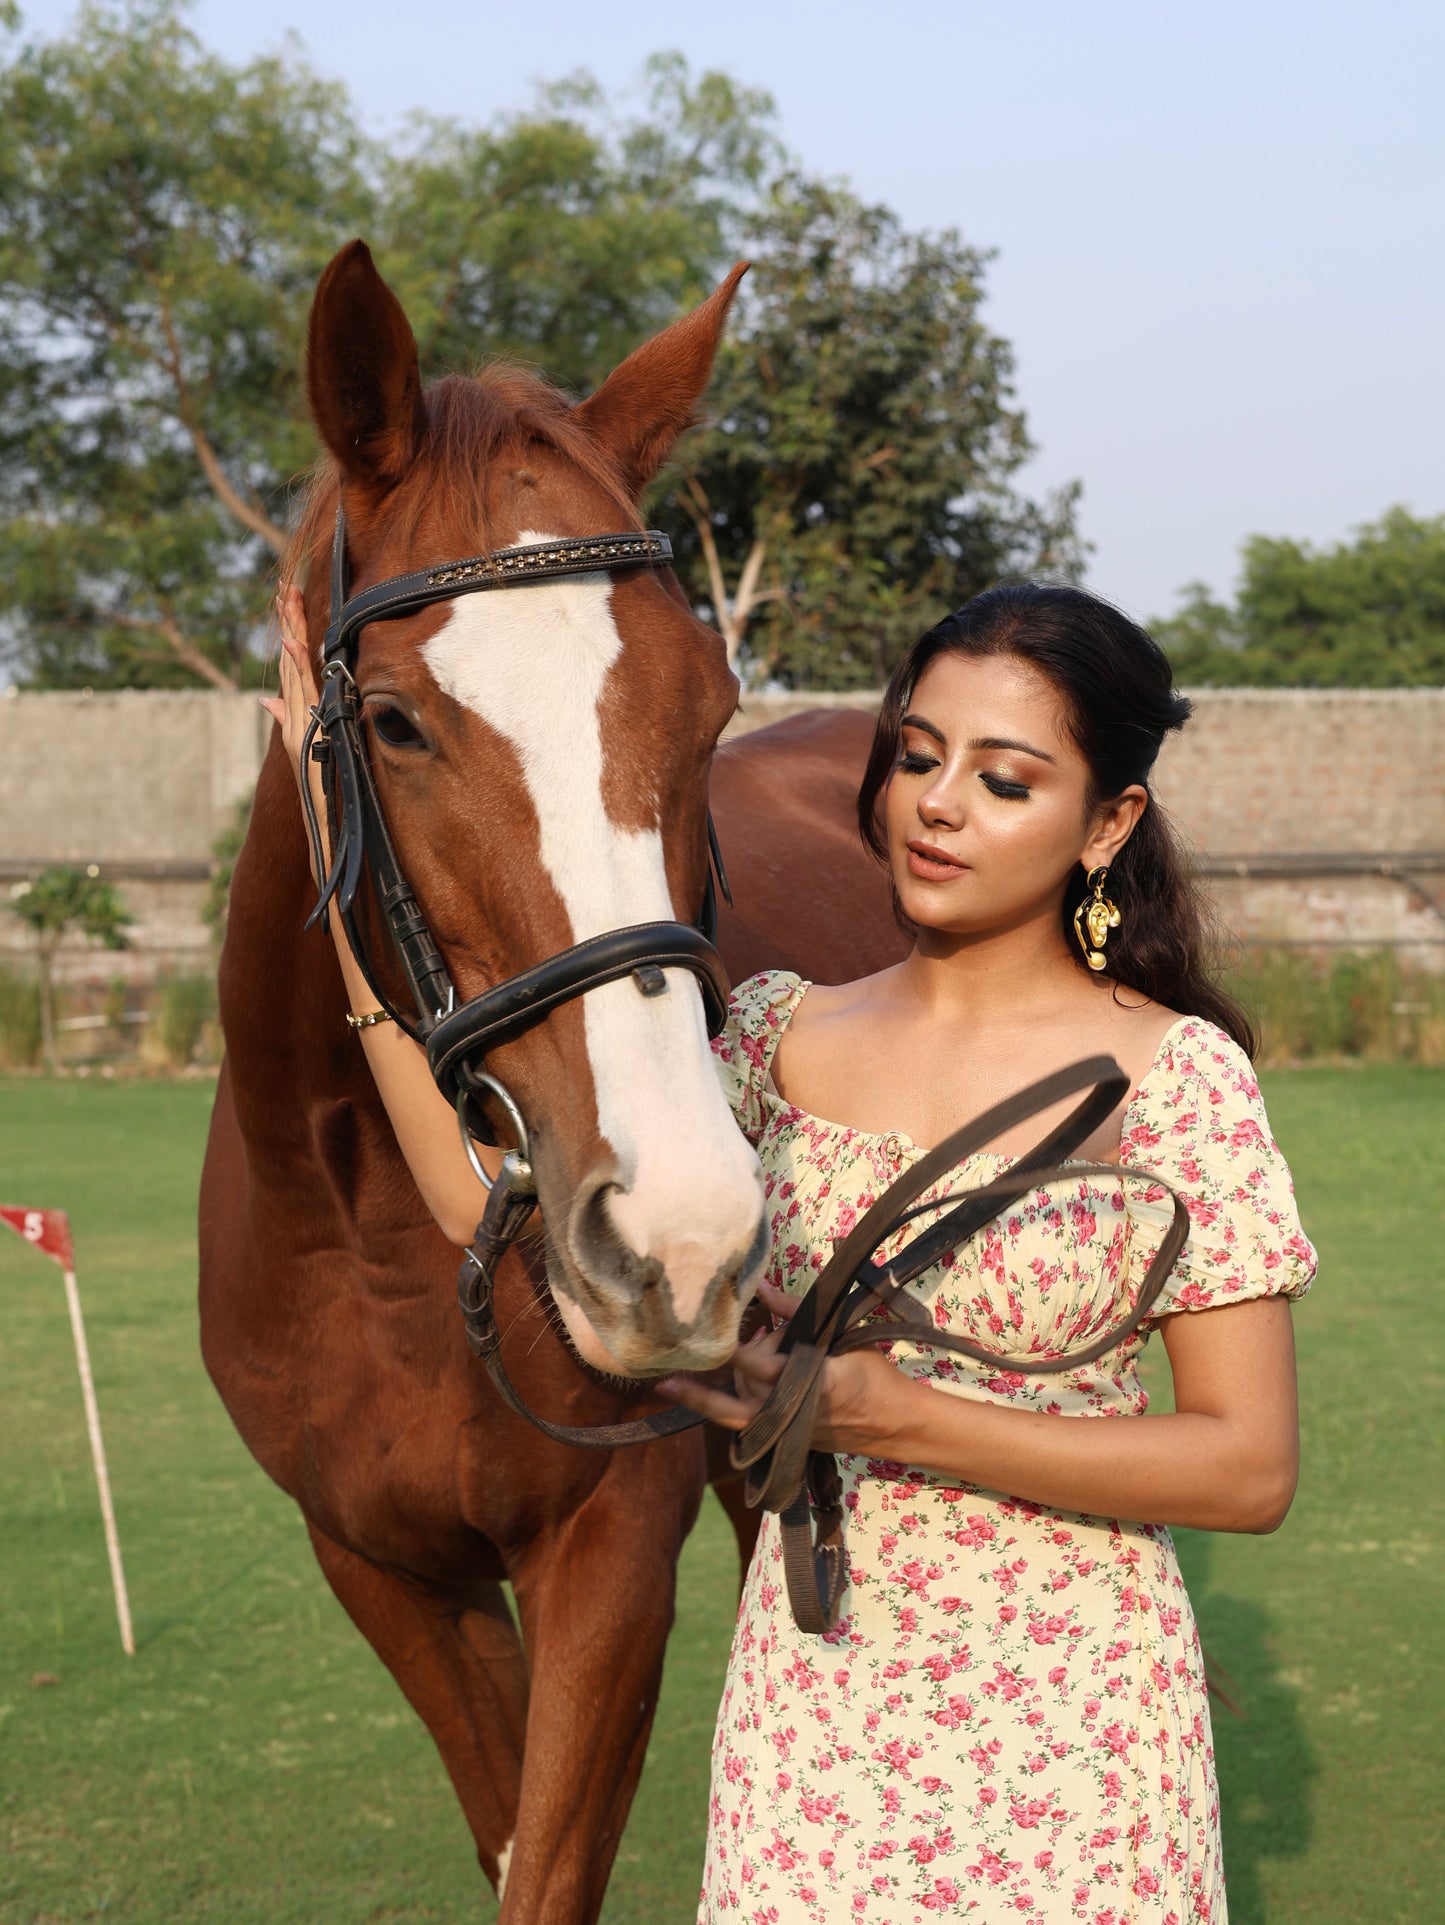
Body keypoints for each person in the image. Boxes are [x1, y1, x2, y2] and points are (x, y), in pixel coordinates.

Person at [267, 581, 1314, 1925]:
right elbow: (486, 1205)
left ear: (1106, 823)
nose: (935, 804)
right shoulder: (768, 1035)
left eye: (1002, 779)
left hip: (1078, 1720)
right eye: (916, 755)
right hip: (817, 1709)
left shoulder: (1175, 1074)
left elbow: (1246, 1463)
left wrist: (907, 1418)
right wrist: (337, 862)